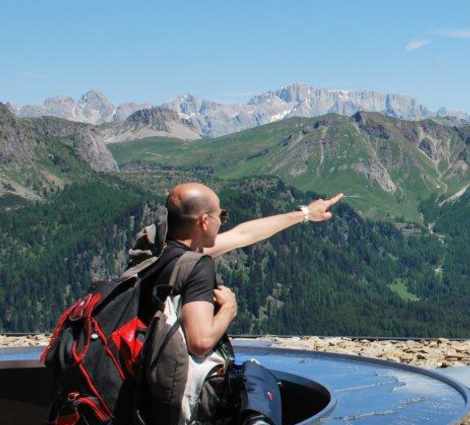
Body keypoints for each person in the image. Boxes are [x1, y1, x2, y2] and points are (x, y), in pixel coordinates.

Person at [140, 182, 341, 425]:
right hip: (178, 393)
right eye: (221, 215)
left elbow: (243, 234)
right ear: (204, 221)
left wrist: (306, 213)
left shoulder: (150, 255)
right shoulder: (196, 266)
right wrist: (228, 309)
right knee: (255, 378)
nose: (223, 221)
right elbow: (200, 341)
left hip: (143, 385)